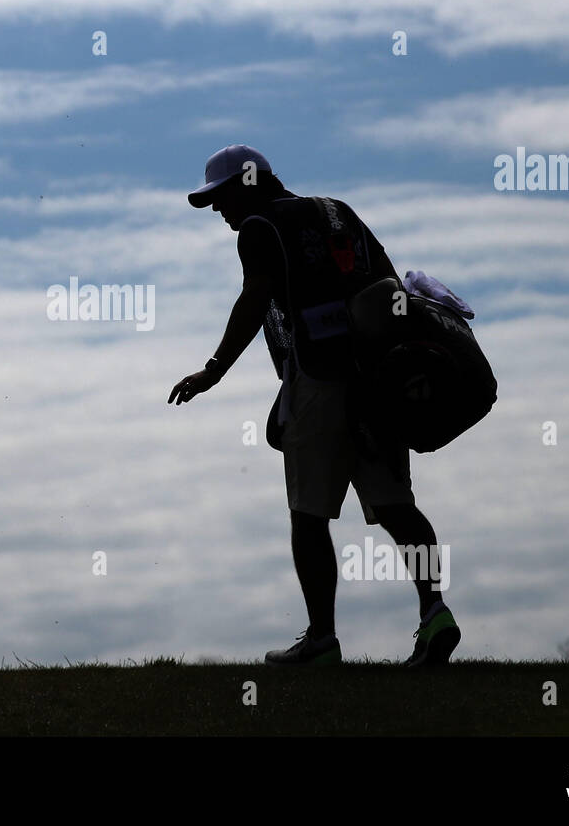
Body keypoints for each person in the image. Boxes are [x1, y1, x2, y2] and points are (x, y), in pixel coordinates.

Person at [167, 144, 460, 668]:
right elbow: (389, 285)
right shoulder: (335, 210)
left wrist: (213, 370)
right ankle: (435, 610)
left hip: (320, 380)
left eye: (222, 196)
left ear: (251, 182)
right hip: (379, 378)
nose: (219, 210)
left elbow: (255, 300)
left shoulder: (259, 226)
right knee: (397, 507)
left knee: (309, 514)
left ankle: (322, 639)